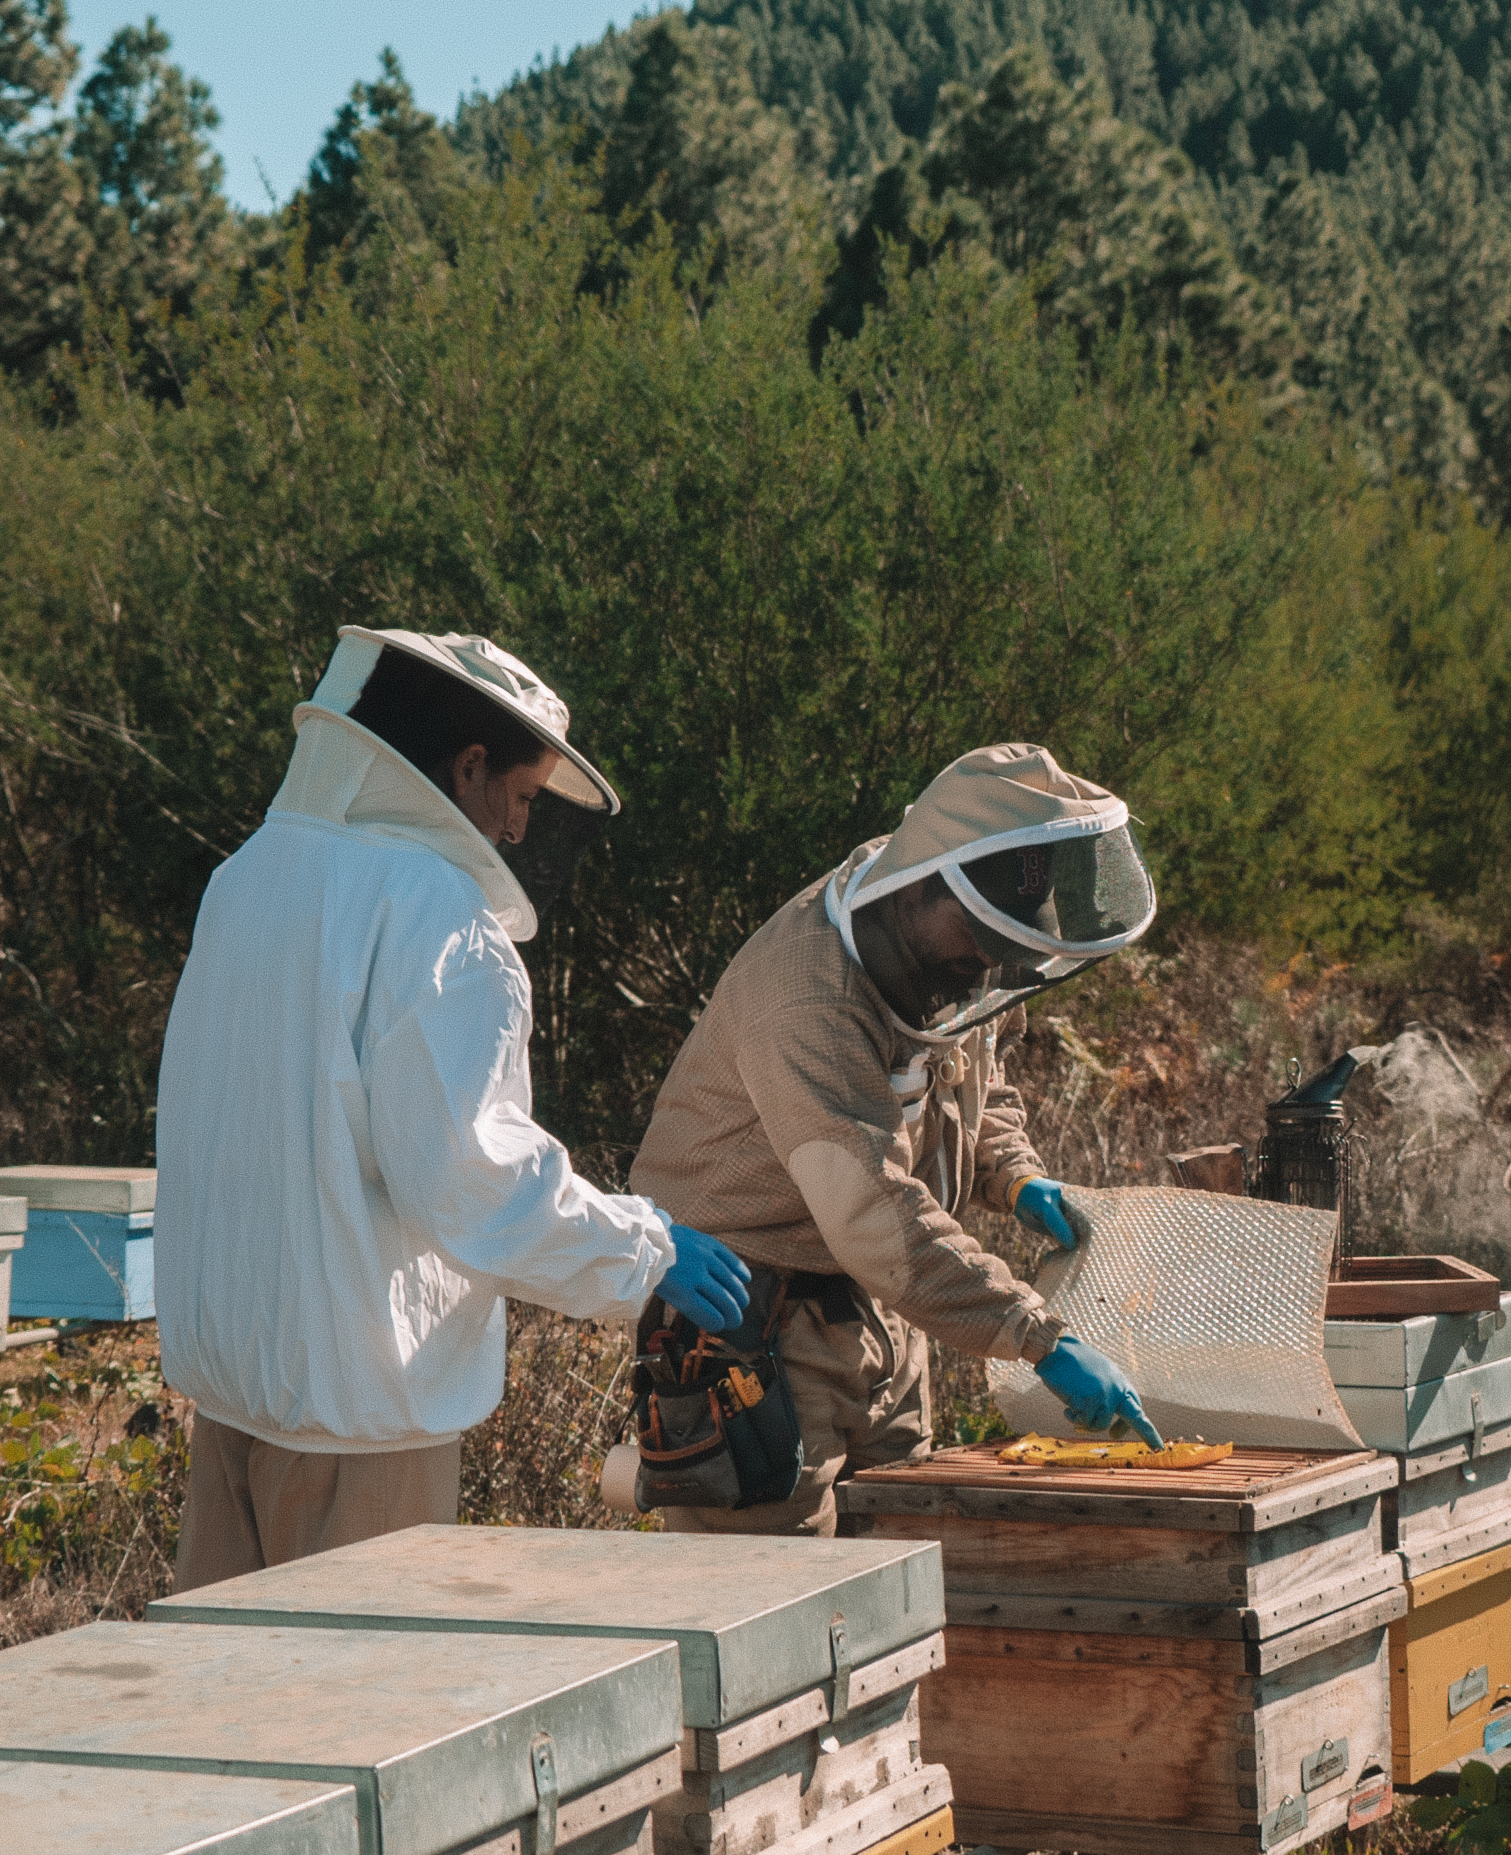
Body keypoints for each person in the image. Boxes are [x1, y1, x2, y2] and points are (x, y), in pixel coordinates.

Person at [157, 625, 750, 1587]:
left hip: (232, 1396)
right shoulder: (433, 912)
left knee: (227, 1711)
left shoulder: (251, 877)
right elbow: (470, 1174)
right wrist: (644, 1250)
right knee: (356, 1717)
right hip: (362, 1420)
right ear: (467, 765)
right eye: (517, 796)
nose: (517, 831)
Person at [626, 742, 1164, 1536]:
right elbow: (871, 1215)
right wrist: (1036, 1335)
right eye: (978, 942)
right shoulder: (804, 998)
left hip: (884, 1316)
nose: (986, 968)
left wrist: (1013, 1174)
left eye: (1006, 950)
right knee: (773, 1615)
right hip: (748, 1329)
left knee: (900, 1584)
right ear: (922, 882)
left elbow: (981, 1070)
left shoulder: (960, 959)